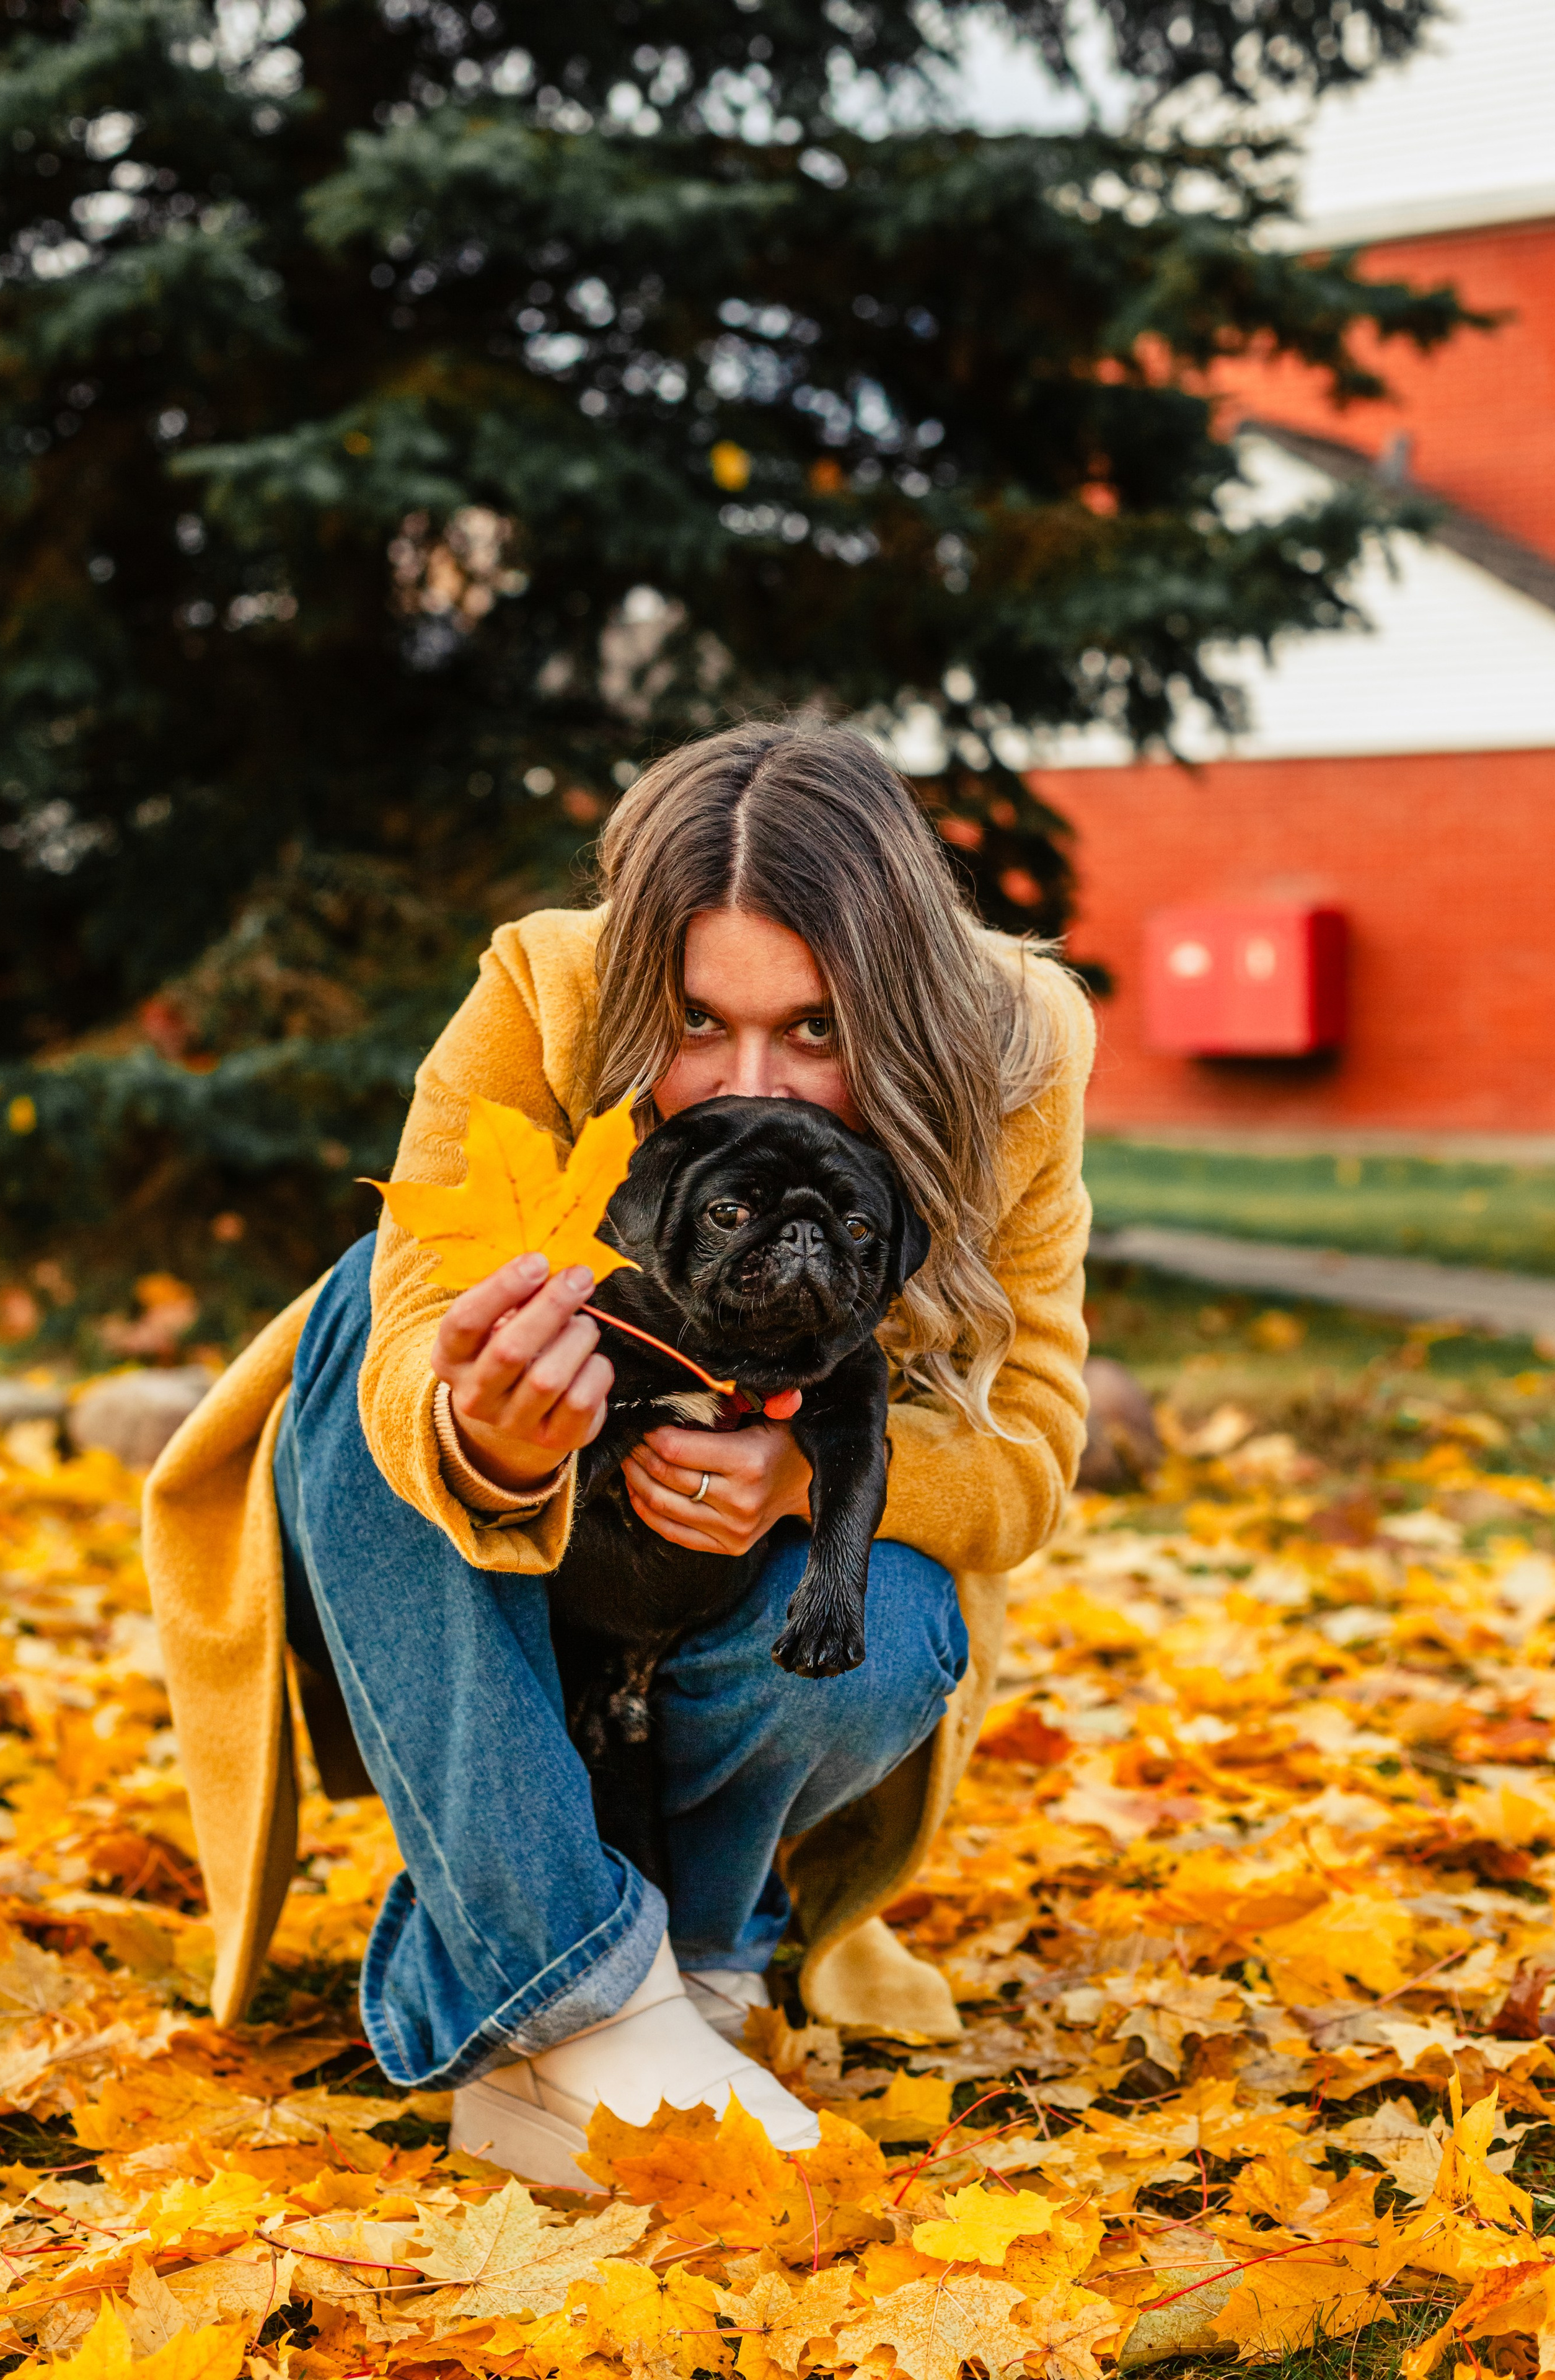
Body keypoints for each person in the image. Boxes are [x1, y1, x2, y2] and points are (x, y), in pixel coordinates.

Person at [144, 718, 1093, 2186]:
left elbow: (1032, 1447)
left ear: (900, 1008)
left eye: (816, 1031)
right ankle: (596, 2001)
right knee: (374, 1311)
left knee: (893, 1619)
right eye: (697, 1022)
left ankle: (694, 1960)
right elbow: (399, 1326)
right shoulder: (544, 991)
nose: (744, 1082)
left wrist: (799, 1487)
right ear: (636, 978)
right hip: (475, 1591)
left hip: (738, 1612)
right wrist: (486, 1438)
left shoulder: (1017, 1043)